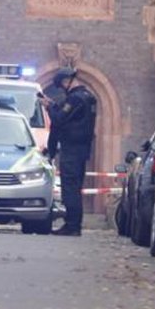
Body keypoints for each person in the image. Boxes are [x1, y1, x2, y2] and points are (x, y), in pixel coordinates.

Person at [44, 67, 97, 236]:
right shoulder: (89, 97)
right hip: (81, 148)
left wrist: (49, 108)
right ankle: (74, 224)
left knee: (70, 188)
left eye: (62, 85)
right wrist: (54, 105)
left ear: (67, 81)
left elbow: (60, 119)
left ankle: (72, 225)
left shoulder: (75, 99)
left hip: (72, 149)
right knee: (75, 186)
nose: (62, 88)